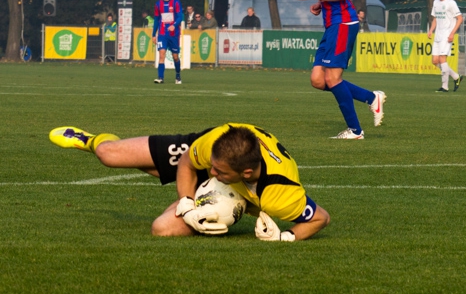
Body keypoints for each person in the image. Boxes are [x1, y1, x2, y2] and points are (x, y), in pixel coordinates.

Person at [48, 123, 330, 241]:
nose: (212, 173)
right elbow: (187, 162)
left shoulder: (280, 194)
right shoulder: (214, 146)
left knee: (162, 229)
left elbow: (320, 218)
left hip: (243, 191)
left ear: (245, 174)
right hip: (209, 148)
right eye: (211, 168)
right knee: (107, 154)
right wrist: (186, 204)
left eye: (218, 172)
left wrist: (286, 236)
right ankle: (89, 140)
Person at [293, 0, 386, 139]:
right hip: (332, 23)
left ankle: (355, 131)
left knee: (333, 79)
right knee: (318, 79)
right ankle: (372, 98)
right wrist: (319, 3)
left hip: (343, 22)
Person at [428, 0, 464, 92]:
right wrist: (431, 30)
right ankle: (456, 77)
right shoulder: (435, 2)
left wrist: (452, 33)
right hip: (438, 35)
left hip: (447, 34)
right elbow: (435, 18)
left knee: (442, 59)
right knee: (435, 61)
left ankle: (444, 86)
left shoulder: (451, 3)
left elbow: (460, 19)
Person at [152, 0, 183, 84]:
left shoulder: (176, 2)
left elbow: (179, 17)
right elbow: (156, 20)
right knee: (161, 54)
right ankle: (160, 78)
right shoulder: (158, 4)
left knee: (175, 56)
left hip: (174, 34)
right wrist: (153, 34)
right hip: (162, 34)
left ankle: (178, 75)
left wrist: (174, 25)